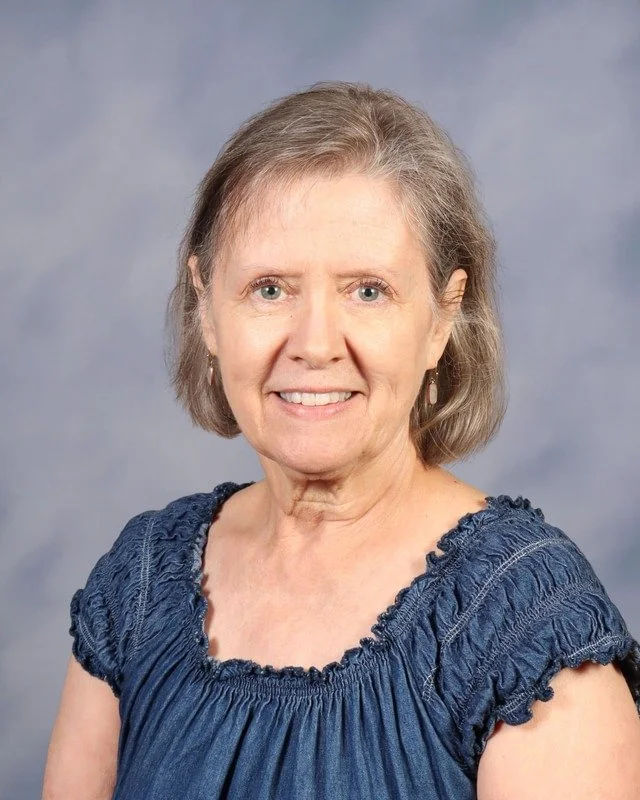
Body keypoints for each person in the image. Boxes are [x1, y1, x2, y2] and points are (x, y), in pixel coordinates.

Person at [43, 81, 640, 800]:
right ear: (206, 310)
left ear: (443, 318)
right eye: (270, 289)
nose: (316, 344)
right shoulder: (139, 587)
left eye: (367, 291)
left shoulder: (524, 629)